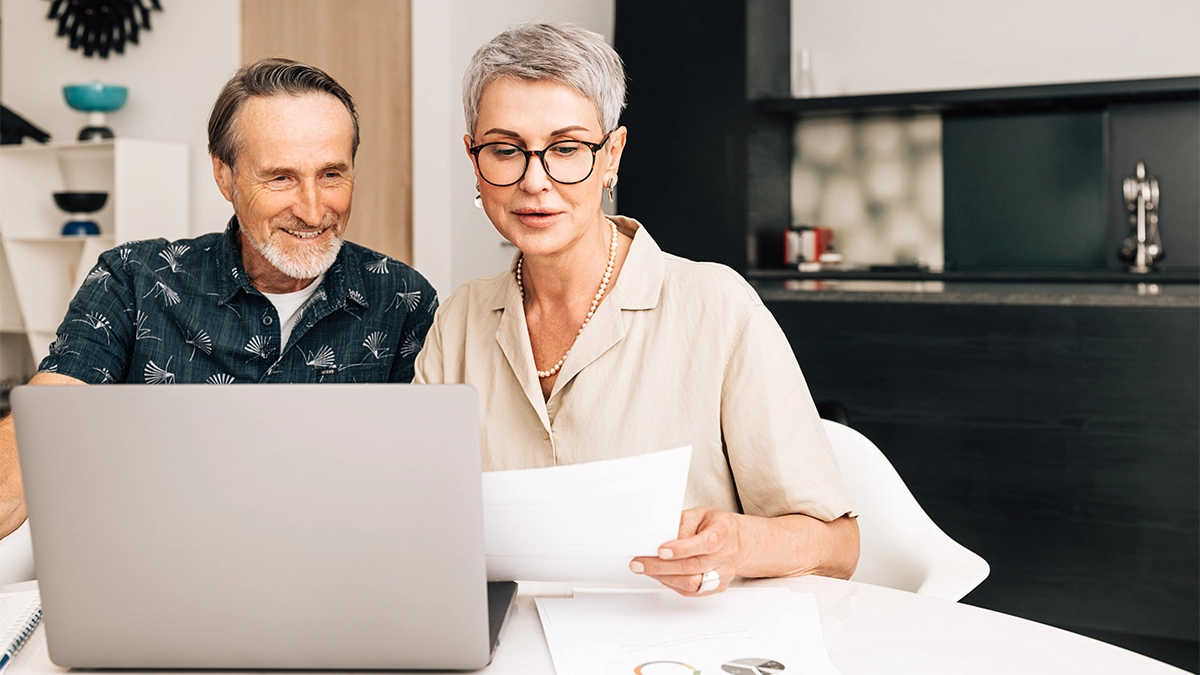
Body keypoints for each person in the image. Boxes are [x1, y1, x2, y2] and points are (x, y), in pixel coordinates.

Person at [415, 23, 859, 597]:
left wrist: (739, 544)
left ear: (611, 157)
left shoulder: (716, 308)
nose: (534, 181)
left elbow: (838, 546)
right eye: (505, 150)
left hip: (670, 648)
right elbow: (425, 522)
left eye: (567, 149)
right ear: (473, 157)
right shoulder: (457, 322)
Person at [0, 58, 437, 539]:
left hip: (338, 572)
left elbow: (424, 485)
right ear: (224, 176)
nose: (314, 210)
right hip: (164, 571)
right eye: (281, 178)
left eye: (332, 174)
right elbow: (36, 436)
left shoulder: (403, 299)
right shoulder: (132, 281)